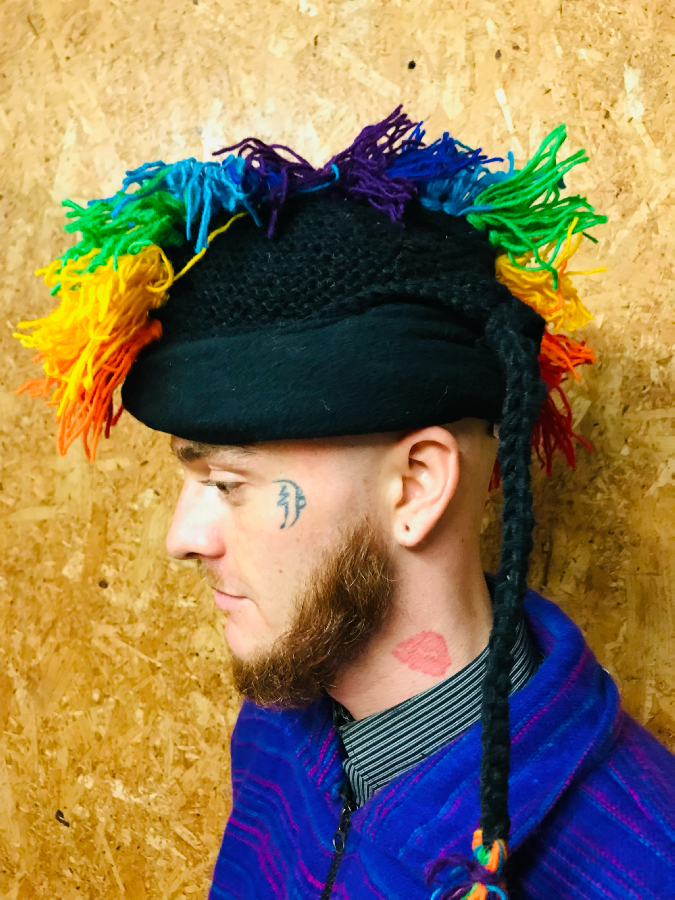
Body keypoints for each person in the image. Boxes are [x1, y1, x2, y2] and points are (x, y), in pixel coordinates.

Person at [15, 107, 675, 899]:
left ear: (416, 485)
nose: (181, 537)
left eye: (227, 484)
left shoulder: (642, 865)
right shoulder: (281, 727)